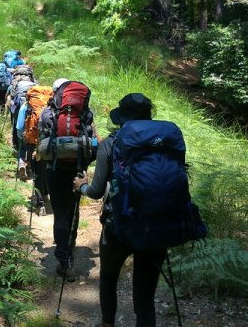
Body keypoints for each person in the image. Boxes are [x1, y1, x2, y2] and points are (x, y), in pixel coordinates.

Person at [73, 93, 167, 327]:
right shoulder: (165, 141)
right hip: (158, 224)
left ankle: (107, 323)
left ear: (121, 118)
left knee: (108, 276)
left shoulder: (111, 143)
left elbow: (95, 191)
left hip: (119, 225)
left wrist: (81, 186)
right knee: (145, 297)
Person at [38, 77, 91, 282]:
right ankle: (71, 250)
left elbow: (43, 145)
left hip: (54, 169)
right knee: (73, 212)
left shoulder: (48, 112)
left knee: (60, 213)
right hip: (77, 170)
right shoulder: (85, 112)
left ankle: (64, 260)